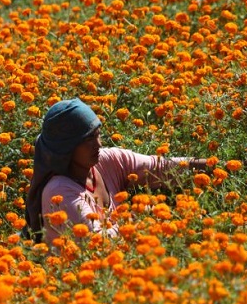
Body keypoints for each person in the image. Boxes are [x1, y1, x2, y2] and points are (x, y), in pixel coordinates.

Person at [24, 98, 208, 245]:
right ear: (66, 147)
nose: (99, 144)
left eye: (97, 134)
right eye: (88, 139)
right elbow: (97, 243)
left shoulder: (107, 161)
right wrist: (138, 217)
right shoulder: (60, 192)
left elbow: (161, 167)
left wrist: (212, 166)